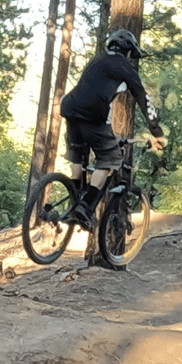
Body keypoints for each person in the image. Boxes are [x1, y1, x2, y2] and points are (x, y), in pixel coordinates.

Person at [60, 28, 166, 229]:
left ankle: (73, 203)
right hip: (92, 115)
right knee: (111, 158)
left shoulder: (96, 60)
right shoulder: (124, 67)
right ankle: (86, 205)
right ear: (127, 50)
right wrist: (157, 132)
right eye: (130, 54)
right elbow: (143, 98)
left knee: (78, 155)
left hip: (69, 109)